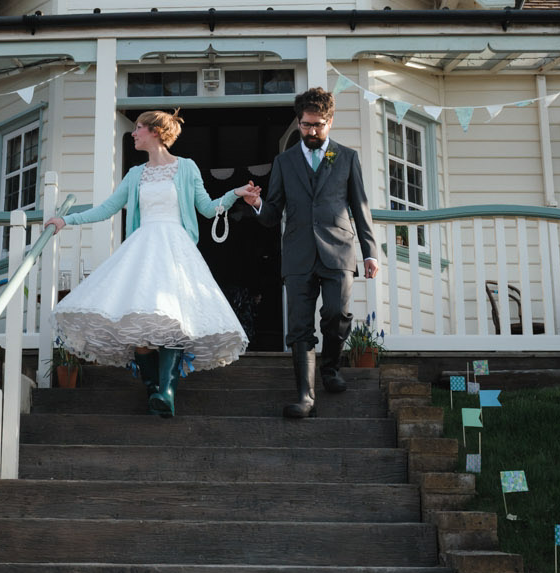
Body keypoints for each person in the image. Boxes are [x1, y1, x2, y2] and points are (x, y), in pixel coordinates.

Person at [44, 109, 260, 417]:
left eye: (139, 128)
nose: (133, 133)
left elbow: (209, 208)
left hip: (176, 251)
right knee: (141, 323)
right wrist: (67, 219)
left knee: (171, 317)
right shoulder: (135, 174)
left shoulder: (186, 168)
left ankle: (166, 391)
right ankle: (155, 391)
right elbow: (107, 209)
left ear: (156, 132)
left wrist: (235, 193)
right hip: (142, 251)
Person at [251, 86, 379, 419]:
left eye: (318, 125)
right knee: (299, 326)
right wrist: (257, 204)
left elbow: (359, 206)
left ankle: (330, 368)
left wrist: (370, 252)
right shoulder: (284, 161)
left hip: (339, 250)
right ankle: (305, 397)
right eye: (306, 125)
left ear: (330, 122)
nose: (312, 131)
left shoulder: (346, 157)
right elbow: (271, 214)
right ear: (298, 122)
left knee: (337, 314)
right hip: (297, 254)